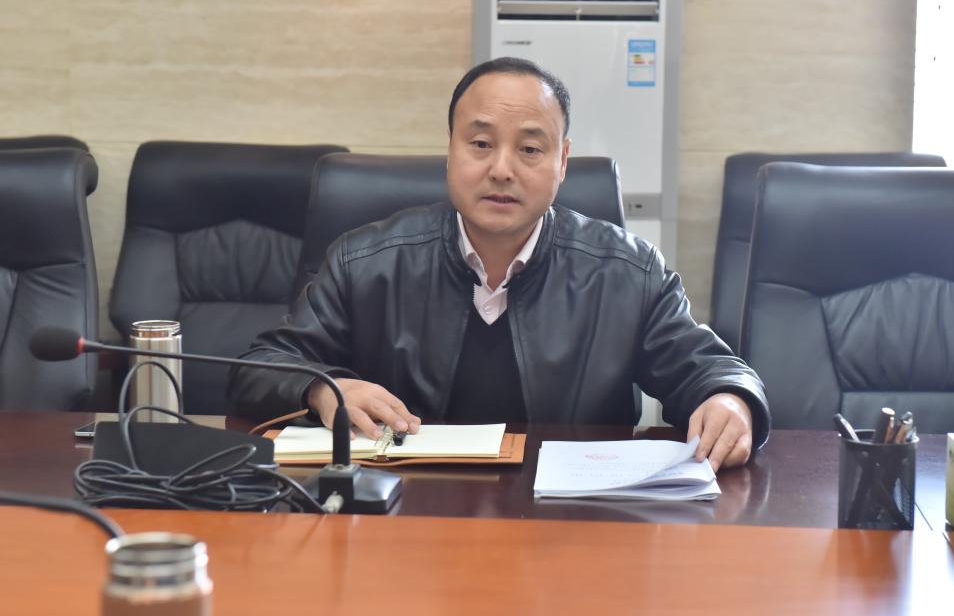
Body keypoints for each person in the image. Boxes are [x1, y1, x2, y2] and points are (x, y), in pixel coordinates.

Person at [229, 57, 770, 471]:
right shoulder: (365, 261)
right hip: (403, 520)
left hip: (570, 526)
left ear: (562, 162)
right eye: (481, 144)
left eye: (530, 150)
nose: (502, 170)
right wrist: (327, 389)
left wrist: (731, 400)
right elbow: (261, 367)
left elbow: (710, 368)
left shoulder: (627, 272)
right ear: (451, 150)